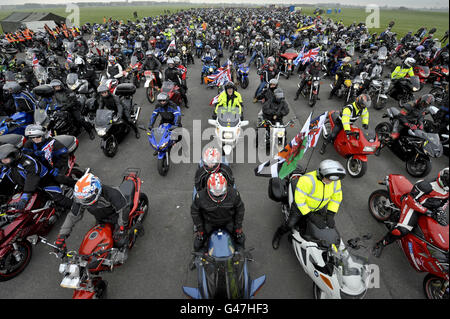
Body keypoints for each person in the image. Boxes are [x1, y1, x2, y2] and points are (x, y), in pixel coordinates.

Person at [372, 167, 449, 257]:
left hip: (429, 208)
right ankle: (381, 243)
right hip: (413, 206)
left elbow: (445, 202)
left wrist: (440, 210)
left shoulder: (447, 189)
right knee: (401, 230)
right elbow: (410, 200)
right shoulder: (426, 185)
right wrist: (427, 212)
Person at [272, 159, 346, 249]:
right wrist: (311, 216)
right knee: (290, 224)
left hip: (319, 207)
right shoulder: (307, 180)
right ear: (320, 173)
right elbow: (300, 200)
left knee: (320, 227)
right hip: (300, 208)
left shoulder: (334, 181)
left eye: (332, 180)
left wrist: (331, 214)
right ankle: (278, 234)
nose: (330, 182)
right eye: (328, 179)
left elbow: (336, 198)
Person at [54, 172, 130, 252]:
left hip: (117, 218)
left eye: (85, 199)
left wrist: (121, 228)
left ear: (96, 191)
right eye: (81, 199)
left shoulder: (112, 193)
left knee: (119, 242)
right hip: (101, 219)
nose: (82, 202)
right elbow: (73, 216)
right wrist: (62, 235)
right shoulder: (82, 198)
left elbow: (123, 210)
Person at [0, 143, 73, 211]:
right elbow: (3, 180)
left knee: (58, 199)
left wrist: (25, 197)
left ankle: (76, 206)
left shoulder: (27, 162)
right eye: (2, 160)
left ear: (14, 155)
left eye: (6, 159)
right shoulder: (8, 167)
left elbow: (32, 178)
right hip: (27, 187)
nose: (3, 161)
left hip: (44, 182)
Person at [191, 172, 245, 252]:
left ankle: (241, 257)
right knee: (197, 244)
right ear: (208, 188)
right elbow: (195, 212)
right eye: (215, 193)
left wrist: (238, 226)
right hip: (209, 222)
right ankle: (197, 260)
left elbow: (240, 210)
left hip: (228, 221)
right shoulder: (200, 197)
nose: (218, 195)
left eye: (221, 192)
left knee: (241, 239)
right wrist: (200, 228)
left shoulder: (234, 194)